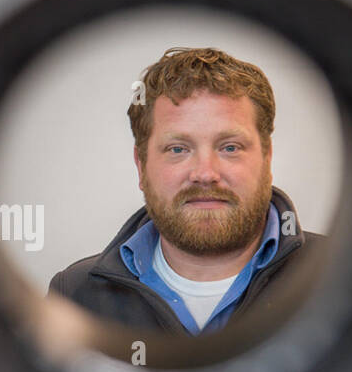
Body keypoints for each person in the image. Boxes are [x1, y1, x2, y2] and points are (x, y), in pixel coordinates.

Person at [48, 47, 326, 335]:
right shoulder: (74, 296)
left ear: (267, 159)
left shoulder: (345, 274)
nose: (205, 174)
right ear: (141, 166)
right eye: (178, 149)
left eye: (230, 147)